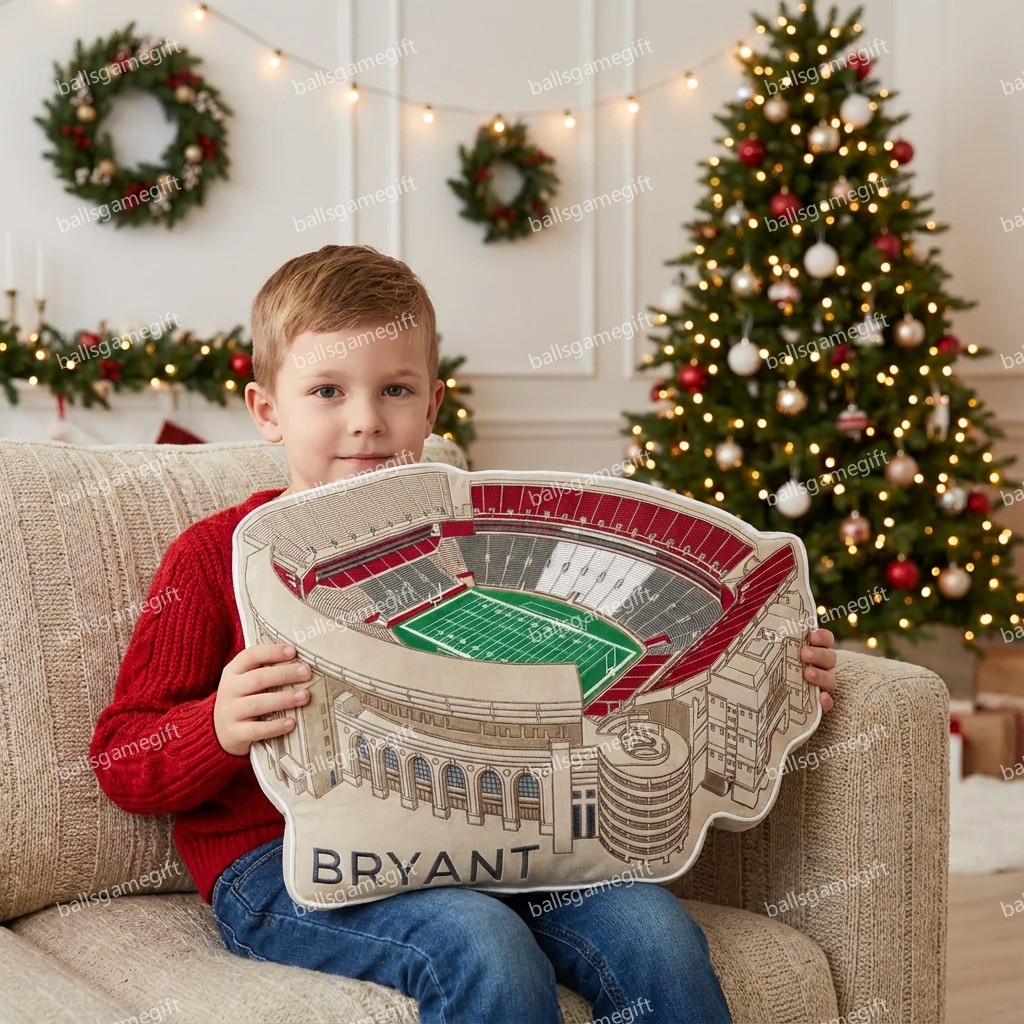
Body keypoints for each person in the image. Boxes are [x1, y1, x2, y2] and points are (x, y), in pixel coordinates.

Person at [91, 245, 838, 1024]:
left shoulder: (473, 537)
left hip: (500, 838)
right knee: (483, 942)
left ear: (433, 406)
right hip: (283, 865)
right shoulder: (214, 556)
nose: (366, 422)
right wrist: (216, 726)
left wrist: (777, 661)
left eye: (396, 390)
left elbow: (614, 689)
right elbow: (121, 756)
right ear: (267, 409)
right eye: (327, 391)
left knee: (655, 931)